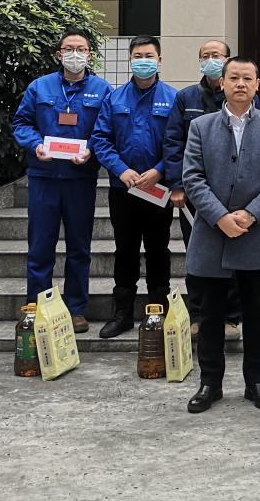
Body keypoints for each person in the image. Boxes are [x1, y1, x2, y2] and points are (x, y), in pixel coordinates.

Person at [182, 57, 260, 413]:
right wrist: (219, 216)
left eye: (247, 78)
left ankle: (256, 382)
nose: (240, 84)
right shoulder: (201, 126)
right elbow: (192, 177)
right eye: (233, 78)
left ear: (258, 84)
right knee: (210, 314)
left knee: (255, 311)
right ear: (222, 83)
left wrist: (251, 213)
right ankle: (210, 383)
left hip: (253, 233)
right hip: (212, 233)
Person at [12, 28, 111, 333]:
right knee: (40, 246)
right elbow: (21, 123)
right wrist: (35, 145)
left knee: (79, 247)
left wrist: (91, 150)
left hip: (80, 178)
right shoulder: (39, 87)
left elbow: (106, 130)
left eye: (81, 49)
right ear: (58, 54)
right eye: (69, 49)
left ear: (90, 55)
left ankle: (76, 309)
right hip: (44, 177)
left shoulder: (102, 90)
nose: (74, 54)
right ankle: (37, 307)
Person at [91, 36, 179, 338]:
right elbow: (100, 140)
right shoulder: (114, 98)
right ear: (130, 60)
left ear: (159, 60)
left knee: (158, 250)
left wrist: (159, 171)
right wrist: (121, 169)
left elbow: (178, 143)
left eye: (149, 56)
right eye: (138, 56)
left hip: (157, 189)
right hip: (124, 189)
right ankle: (122, 313)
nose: (144, 61)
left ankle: (158, 311)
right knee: (125, 249)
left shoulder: (173, 98)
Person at [161, 39, 243, 337]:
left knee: (233, 253)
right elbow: (173, 143)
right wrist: (177, 185)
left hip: (232, 191)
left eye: (216, 55)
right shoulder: (186, 98)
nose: (211, 60)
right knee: (197, 254)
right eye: (205, 56)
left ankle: (231, 317)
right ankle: (198, 314)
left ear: (228, 59)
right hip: (195, 191)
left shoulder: (240, 96)